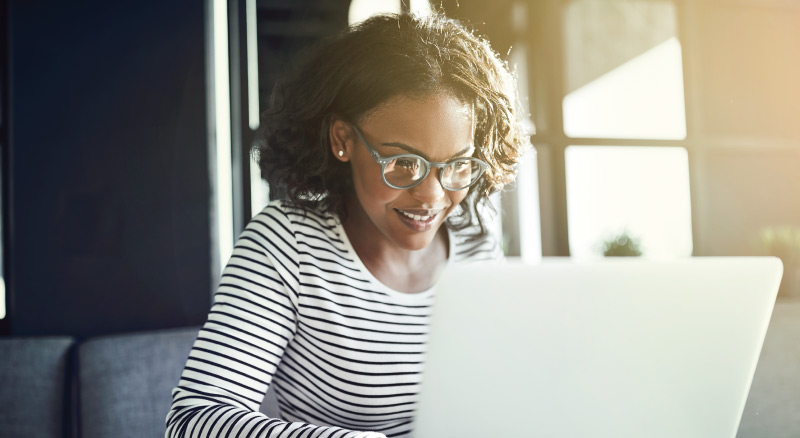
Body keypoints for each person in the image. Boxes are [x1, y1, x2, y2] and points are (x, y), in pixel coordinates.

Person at [166, 12, 528, 438]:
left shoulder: (474, 235)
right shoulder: (287, 244)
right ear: (343, 140)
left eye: (457, 165)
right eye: (403, 163)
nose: (433, 195)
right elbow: (195, 421)